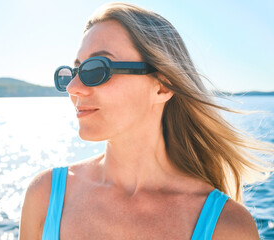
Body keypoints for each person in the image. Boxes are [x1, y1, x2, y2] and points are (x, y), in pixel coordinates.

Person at [19, 3, 273, 239]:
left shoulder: (227, 227)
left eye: (96, 70)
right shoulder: (45, 195)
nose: (73, 88)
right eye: (74, 72)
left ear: (162, 86)